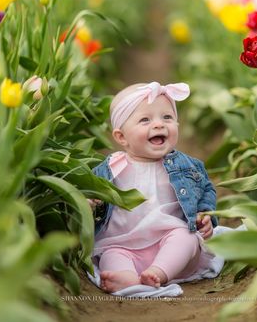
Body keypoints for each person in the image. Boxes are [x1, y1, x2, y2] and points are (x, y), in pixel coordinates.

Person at [92, 81, 217, 293]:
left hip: (168, 242)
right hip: (122, 244)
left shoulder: (187, 166)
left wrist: (205, 215)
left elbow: (206, 189)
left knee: (186, 237)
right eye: (145, 120)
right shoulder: (111, 168)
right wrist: (91, 201)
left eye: (167, 117)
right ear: (121, 137)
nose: (159, 125)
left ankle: (158, 273)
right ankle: (128, 278)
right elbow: (91, 191)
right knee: (111, 255)